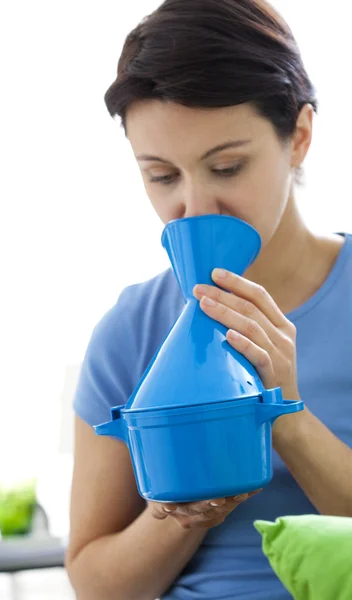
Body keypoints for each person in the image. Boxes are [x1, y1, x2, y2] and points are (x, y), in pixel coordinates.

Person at [65, 0, 352, 598]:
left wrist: (286, 418)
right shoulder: (130, 331)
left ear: (298, 136)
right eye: (162, 176)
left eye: (227, 166)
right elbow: (96, 585)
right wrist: (189, 505)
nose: (194, 209)